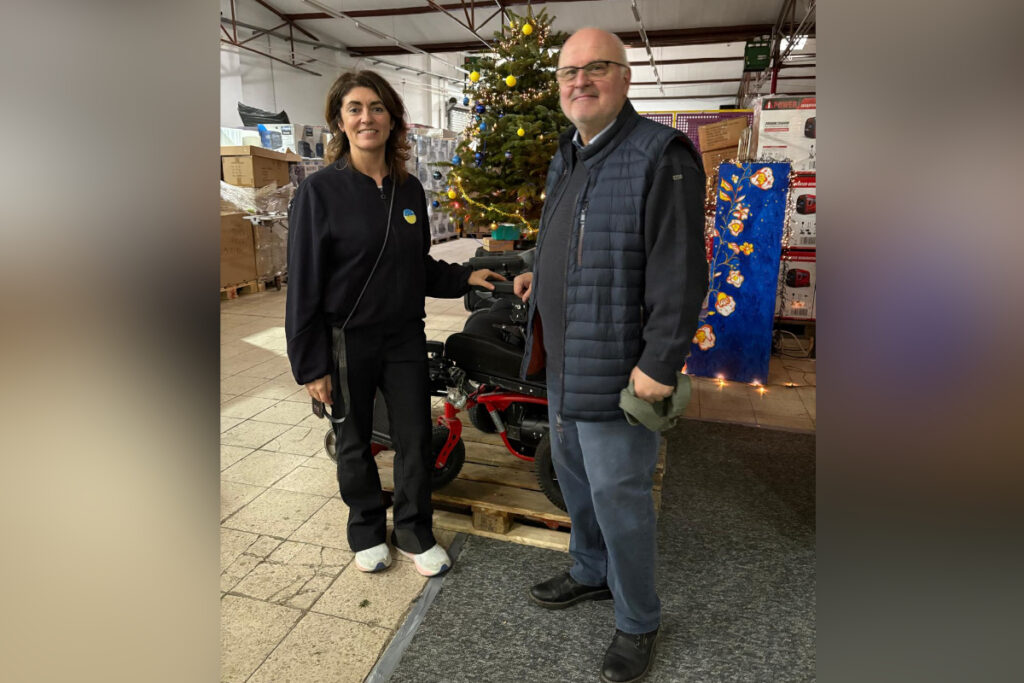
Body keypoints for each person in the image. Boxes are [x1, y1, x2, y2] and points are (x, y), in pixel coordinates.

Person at [513, 28, 709, 683]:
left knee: (621, 498)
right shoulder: (568, 154)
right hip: (565, 363)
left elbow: (681, 273)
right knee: (575, 481)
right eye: (569, 70)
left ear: (624, 78)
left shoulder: (662, 154)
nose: (579, 80)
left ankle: (637, 620)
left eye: (596, 67)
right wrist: (538, 275)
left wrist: (659, 363)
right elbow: (573, 240)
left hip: (622, 369)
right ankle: (590, 572)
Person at [286, 70, 504, 577]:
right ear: (340, 121)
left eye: (377, 107)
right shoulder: (320, 192)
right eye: (356, 108)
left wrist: (469, 276)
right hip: (346, 340)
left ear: (393, 119)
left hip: (404, 336)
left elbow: (417, 265)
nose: (368, 117)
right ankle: (365, 527)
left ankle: (413, 528)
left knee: (413, 436)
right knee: (355, 438)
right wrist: (311, 364)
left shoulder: (409, 190)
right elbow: (303, 284)